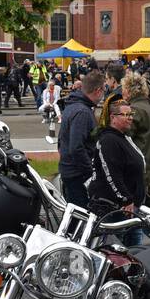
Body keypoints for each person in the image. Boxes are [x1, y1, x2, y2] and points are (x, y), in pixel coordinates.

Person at [87, 101, 146, 224]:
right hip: (116, 208)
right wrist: (125, 199)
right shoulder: (109, 140)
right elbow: (111, 173)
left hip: (129, 207)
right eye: (126, 115)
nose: (130, 118)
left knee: (133, 241)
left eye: (131, 114)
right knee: (121, 241)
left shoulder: (122, 137)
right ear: (113, 117)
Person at [58, 71, 105, 208]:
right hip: (77, 175)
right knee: (81, 216)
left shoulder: (73, 106)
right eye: (103, 90)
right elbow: (76, 147)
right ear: (98, 90)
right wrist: (90, 172)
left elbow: (62, 141)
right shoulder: (82, 112)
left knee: (75, 215)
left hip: (70, 171)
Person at [123, 73, 150, 208]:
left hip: (139, 165)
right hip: (149, 163)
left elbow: (126, 138)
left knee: (135, 211)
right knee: (144, 208)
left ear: (129, 90)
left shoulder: (135, 109)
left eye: (124, 89)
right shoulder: (148, 107)